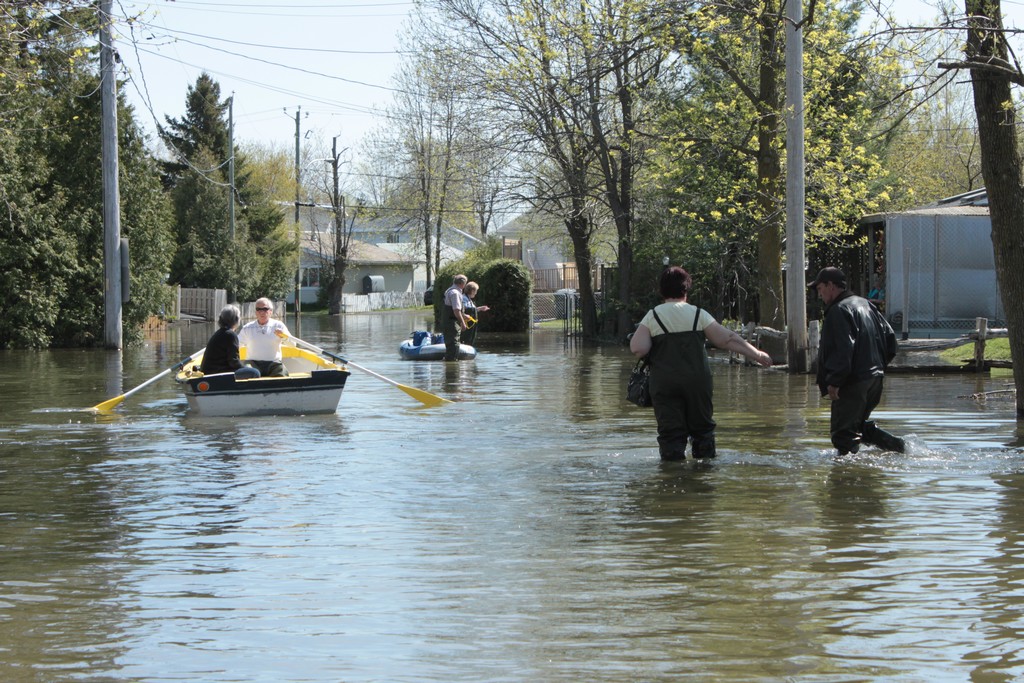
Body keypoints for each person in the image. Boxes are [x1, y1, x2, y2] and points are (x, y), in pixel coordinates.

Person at [630, 266, 772, 461]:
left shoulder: (653, 316)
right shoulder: (698, 314)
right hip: (697, 383)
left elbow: (639, 349)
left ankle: (672, 475)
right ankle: (704, 473)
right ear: (686, 289)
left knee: (670, 433)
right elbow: (727, 339)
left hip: (664, 384)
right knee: (703, 430)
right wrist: (756, 353)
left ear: (661, 290)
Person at [809, 266, 905, 455]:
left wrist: (835, 381)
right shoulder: (867, 305)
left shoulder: (838, 311)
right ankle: (899, 448)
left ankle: (847, 477)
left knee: (842, 435)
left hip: (852, 382)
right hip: (875, 381)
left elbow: (843, 349)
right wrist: (877, 370)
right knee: (857, 427)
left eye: (820, 288)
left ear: (831, 286)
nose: (819, 295)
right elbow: (891, 342)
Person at [237, 297, 292, 377]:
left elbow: (293, 344)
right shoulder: (247, 328)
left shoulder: (278, 326)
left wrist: (283, 336)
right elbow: (236, 346)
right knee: (247, 372)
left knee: (282, 372)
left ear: (270, 312)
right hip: (252, 363)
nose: (262, 312)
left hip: (274, 363)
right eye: (258, 309)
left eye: (265, 309)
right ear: (256, 312)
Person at [200, 305, 255, 376]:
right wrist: (244, 367)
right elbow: (233, 362)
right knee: (255, 372)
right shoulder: (231, 335)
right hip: (216, 373)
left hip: (209, 370)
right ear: (236, 319)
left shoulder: (220, 332)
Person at [443, 274, 469, 361]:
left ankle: (449, 365)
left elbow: (453, 309)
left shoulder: (449, 291)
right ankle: (452, 368)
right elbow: (456, 311)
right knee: (453, 345)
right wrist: (463, 322)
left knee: (451, 345)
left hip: (448, 322)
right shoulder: (455, 293)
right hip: (452, 324)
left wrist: (464, 315)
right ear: (463, 284)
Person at [461, 281, 491, 347]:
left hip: (471, 326)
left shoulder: (469, 299)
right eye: (475, 291)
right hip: (466, 326)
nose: (476, 293)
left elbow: (472, 311)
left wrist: (480, 308)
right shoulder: (463, 298)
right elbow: (464, 310)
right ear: (472, 290)